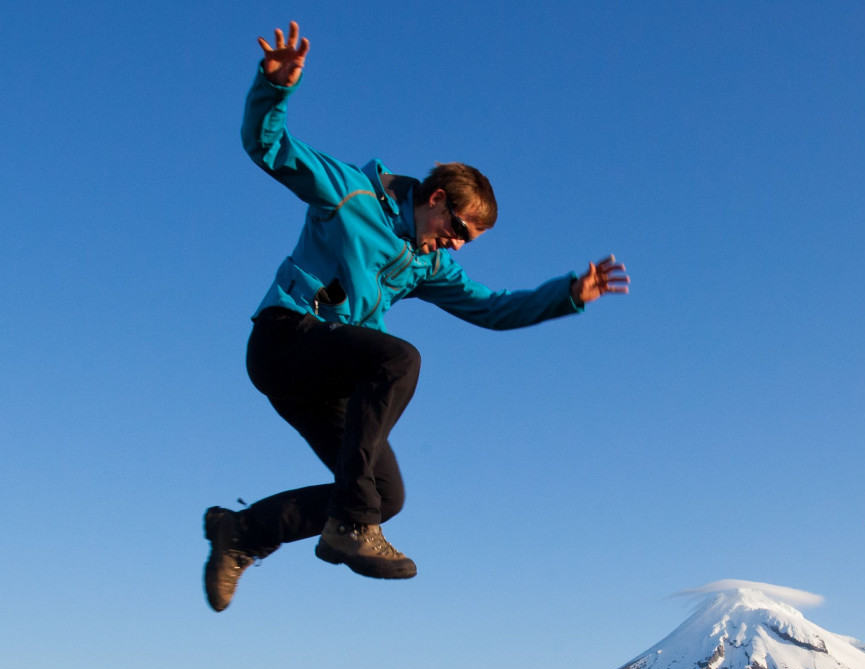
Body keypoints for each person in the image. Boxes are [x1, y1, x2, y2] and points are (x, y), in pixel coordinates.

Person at [204, 22, 628, 611]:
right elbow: (268, 148)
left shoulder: (427, 264)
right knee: (400, 358)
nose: (454, 246)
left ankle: (243, 533)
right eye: (456, 231)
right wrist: (273, 89)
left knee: (383, 493)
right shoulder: (350, 193)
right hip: (284, 339)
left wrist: (567, 295)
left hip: (325, 379)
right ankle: (351, 527)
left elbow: (491, 308)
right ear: (434, 200)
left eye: (466, 242)